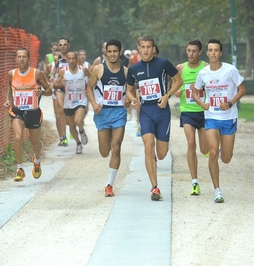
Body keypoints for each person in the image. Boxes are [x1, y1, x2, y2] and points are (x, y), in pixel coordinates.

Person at [126, 35, 183, 201]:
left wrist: (167, 96)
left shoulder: (163, 63)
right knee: (148, 147)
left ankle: (155, 160)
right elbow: (129, 89)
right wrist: (132, 98)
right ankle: (155, 187)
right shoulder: (134, 69)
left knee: (162, 153)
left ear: (153, 49)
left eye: (148, 47)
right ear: (139, 48)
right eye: (142, 47)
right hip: (146, 112)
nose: (145, 50)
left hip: (162, 110)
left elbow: (178, 80)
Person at [192, 39, 246, 203]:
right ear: (207, 53)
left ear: (220, 53)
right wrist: (202, 103)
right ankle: (217, 191)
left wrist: (230, 103)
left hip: (228, 117)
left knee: (226, 158)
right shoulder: (203, 73)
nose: (213, 53)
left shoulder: (230, 70)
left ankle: (225, 149)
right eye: (210, 50)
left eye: (216, 50)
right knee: (213, 152)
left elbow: (242, 89)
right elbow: (195, 92)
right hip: (211, 118)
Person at [86, 39, 130, 197]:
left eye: (115, 51)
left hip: (119, 113)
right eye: (109, 51)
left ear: (120, 52)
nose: (112, 54)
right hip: (102, 113)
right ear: (106, 52)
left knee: (116, 147)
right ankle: (107, 152)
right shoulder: (98, 69)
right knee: (105, 151)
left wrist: (129, 101)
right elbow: (89, 89)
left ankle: (109, 185)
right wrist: (93, 104)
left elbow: (130, 92)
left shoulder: (125, 72)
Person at [3, 47, 52, 182]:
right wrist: (8, 99)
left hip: (33, 112)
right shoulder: (11, 74)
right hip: (17, 111)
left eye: (24, 56)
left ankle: (36, 161)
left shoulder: (37, 74)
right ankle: (20, 169)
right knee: (18, 137)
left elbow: (49, 91)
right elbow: (9, 86)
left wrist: (41, 92)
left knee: (35, 142)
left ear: (29, 59)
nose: (21, 59)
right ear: (15, 59)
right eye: (19, 57)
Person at [175, 38, 209, 196]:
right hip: (187, 111)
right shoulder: (180, 68)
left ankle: (209, 149)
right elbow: (175, 84)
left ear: (200, 52)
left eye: (194, 51)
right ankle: (194, 182)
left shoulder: (206, 67)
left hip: (203, 111)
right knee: (190, 144)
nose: (190, 53)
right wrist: (177, 91)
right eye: (188, 50)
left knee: (204, 149)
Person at [53, 51, 91, 154]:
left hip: (81, 100)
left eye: (73, 58)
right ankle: (78, 143)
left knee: (78, 121)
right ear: (67, 60)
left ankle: (82, 131)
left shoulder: (83, 70)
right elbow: (55, 85)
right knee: (72, 126)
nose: (71, 61)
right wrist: (60, 83)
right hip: (68, 102)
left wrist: (89, 90)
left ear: (76, 59)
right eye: (69, 59)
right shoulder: (63, 71)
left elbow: (92, 79)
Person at [52, 37, 71, 146]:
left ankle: (73, 127)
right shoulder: (57, 58)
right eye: (60, 44)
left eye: (64, 44)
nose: (62, 46)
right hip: (59, 85)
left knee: (69, 113)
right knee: (59, 111)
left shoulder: (73, 57)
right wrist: (52, 76)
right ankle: (63, 137)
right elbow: (55, 69)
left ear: (69, 45)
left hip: (71, 87)